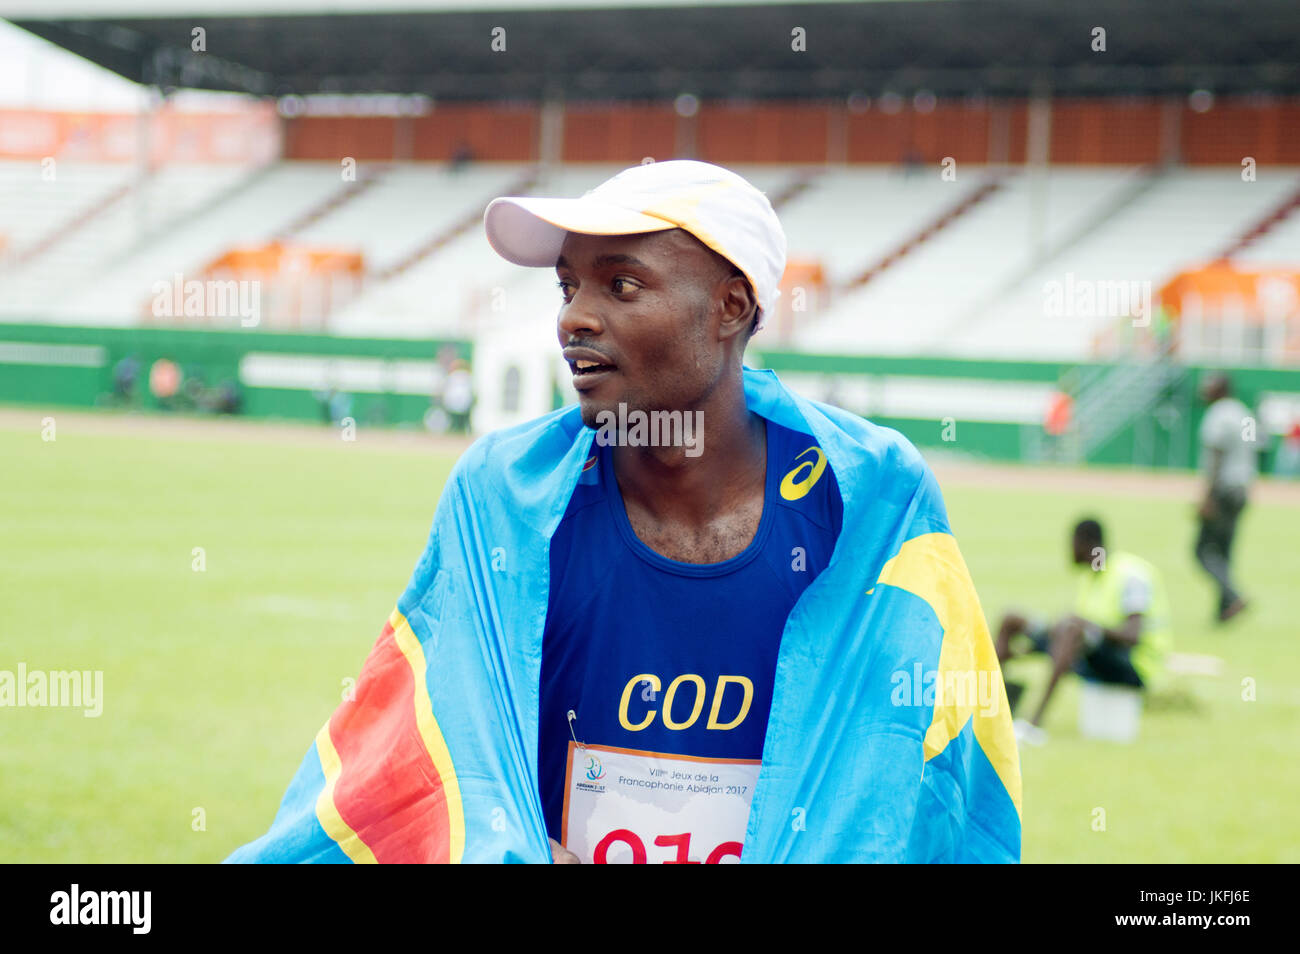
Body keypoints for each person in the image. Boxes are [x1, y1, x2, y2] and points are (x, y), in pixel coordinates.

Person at [226, 160, 1020, 864]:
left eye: (622, 284)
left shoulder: (867, 502)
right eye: (568, 285)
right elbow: (424, 758)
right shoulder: (503, 496)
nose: (574, 317)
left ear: (730, 307)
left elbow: (927, 777)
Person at [995, 518, 1172, 744]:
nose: (1070, 551)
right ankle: (995, 707)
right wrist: (1026, 650)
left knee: (1072, 629)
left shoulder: (1131, 575)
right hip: (1094, 655)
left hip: (1133, 665)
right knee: (1013, 619)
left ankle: (1034, 724)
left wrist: (1082, 624)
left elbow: (1132, 636)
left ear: (1085, 543)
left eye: (1073, 543)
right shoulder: (1093, 576)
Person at [1195, 372, 1254, 623]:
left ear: (1220, 390)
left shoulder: (1218, 415)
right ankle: (1223, 611)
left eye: (1209, 386)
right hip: (1242, 488)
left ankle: (1233, 596)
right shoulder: (1243, 413)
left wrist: (1207, 497)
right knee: (1224, 551)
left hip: (1223, 490)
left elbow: (1216, 457)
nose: (1204, 390)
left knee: (1202, 550)